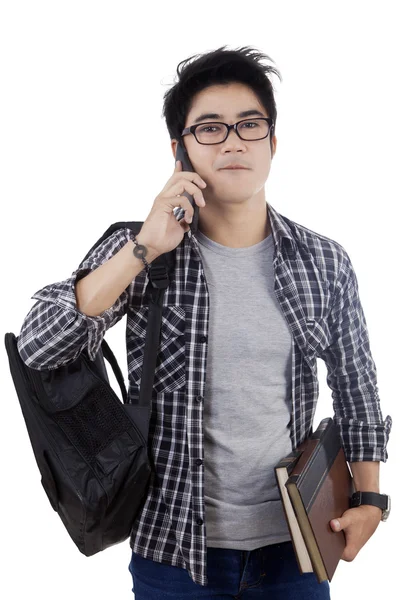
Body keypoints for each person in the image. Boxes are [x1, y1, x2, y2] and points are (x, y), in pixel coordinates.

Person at [17, 45, 392, 599]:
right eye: (210, 128)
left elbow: (356, 384)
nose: (234, 140)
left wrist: (371, 503)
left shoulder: (324, 261)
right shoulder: (140, 251)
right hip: (173, 556)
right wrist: (143, 246)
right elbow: (37, 346)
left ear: (273, 143)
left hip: (295, 551)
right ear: (180, 150)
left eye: (249, 125)